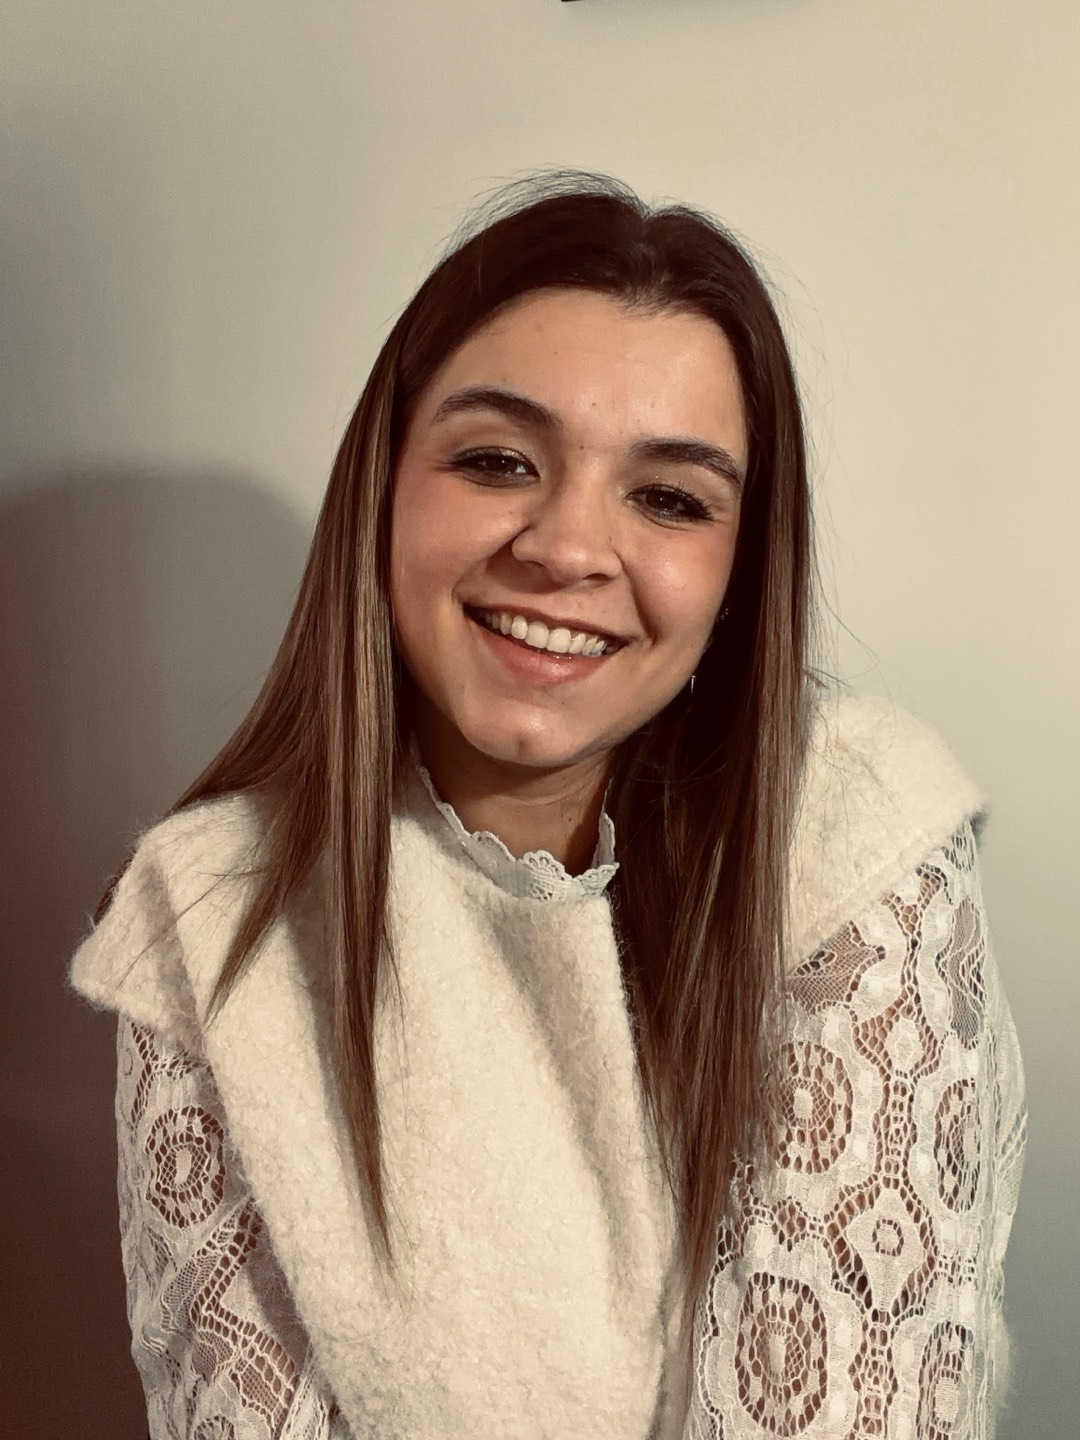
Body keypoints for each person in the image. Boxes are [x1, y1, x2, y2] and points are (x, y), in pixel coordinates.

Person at [70, 172, 1026, 1440]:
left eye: (670, 497)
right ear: (384, 488)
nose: (567, 548)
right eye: (496, 461)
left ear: (740, 570)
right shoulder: (206, 915)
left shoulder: (855, 835)